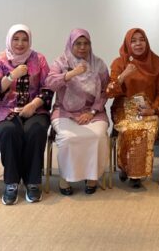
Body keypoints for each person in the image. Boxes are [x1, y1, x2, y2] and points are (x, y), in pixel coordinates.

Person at [0, 24, 53, 205]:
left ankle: (33, 182)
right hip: (5, 110)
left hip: (35, 108)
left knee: (36, 130)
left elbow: (48, 88)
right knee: (8, 131)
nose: (20, 43)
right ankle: (11, 183)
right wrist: (11, 76)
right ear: (9, 40)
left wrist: (33, 104)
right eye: (16, 39)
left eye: (24, 39)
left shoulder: (39, 59)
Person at [46, 29, 110, 195]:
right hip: (65, 110)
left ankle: (92, 177)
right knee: (68, 138)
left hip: (93, 111)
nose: (82, 47)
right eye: (78, 43)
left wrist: (92, 112)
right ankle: (65, 178)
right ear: (70, 44)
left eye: (86, 43)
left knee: (97, 136)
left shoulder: (99, 64)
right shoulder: (60, 62)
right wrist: (71, 74)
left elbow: (105, 91)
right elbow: (50, 83)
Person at [106, 28, 159, 188]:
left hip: (147, 107)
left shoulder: (156, 62)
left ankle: (135, 174)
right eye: (133, 41)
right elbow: (109, 92)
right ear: (127, 44)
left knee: (148, 127)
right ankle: (125, 167)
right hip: (124, 107)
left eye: (142, 39)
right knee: (129, 128)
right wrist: (123, 75)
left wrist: (153, 109)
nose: (138, 44)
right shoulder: (119, 63)